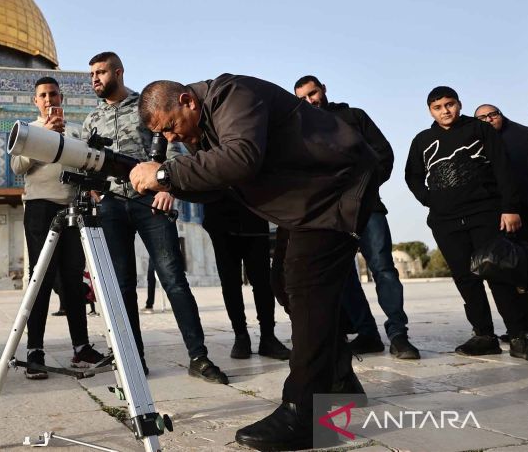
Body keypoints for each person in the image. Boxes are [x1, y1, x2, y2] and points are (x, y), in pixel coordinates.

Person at [131, 74, 378, 451]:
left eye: (171, 127)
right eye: (163, 135)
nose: (171, 139)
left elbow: (241, 158)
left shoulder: (232, 96)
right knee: (284, 283)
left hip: (337, 188)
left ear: (187, 101)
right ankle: (339, 379)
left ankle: (306, 414)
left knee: (305, 285)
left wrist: (164, 173)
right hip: (309, 203)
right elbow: (216, 185)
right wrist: (162, 182)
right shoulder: (205, 127)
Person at [84, 52, 227, 384]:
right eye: (92, 73)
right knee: (121, 286)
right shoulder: (92, 120)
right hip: (112, 207)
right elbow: (88, 161)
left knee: (173, 279)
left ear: (118, 72)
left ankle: (199, 357)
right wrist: (96, 193)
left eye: (101, 72)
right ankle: (134, 359)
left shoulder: (145, 106)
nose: (95, 78)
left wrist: (169, 187)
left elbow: (173, 144)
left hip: (151, 202)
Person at [405, 86, 528, 362]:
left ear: (458, 104)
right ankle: (484, 335)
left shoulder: (480, 130)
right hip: (446, 221)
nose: (445, 111)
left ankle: (518, 336)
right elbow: (413, 176)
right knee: (465, 278)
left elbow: (504, 169)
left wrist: (510, 208)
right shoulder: (422, 140)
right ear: (430, 110)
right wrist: (431, 200)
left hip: (485, 213)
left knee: (498, 272)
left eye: (450, 104)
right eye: (438, 106)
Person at [295, 75, 420, 360]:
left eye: (312, 93)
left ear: (323, 89)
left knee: (383, 268)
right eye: (302, 98)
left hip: (367, 207)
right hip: (331, 215)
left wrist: (363, 188)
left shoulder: (353, 117)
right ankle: (367, 334)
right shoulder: (299, 130)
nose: (309, 101)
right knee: (342, 275)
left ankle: (398, 334)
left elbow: (383, 154)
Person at [10, 76, 106, 379]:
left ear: (60, 97)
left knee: (73, 281)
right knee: (40, 278)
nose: (49, 99)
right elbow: (16, 167)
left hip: (71, 210)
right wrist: (44, 140)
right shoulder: (29, 132)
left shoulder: (77, 132)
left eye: (53, 94)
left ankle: (81, 347)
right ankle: (34, 351)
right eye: (43, 95)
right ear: (35, 101)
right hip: (40, 209)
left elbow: (88, 165)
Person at [474, 104, 528, 340]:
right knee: (517, 272)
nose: (489, 120)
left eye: (492, 115)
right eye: (482, 118)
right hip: (505, 217)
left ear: (501, 115)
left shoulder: (525, 136)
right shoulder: (478, 144)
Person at [203, 194, 290, 360]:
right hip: (220, 216)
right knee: (230, 282)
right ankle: (241, 336)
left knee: (263, 281)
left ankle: (268, 337)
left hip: (254, 213)